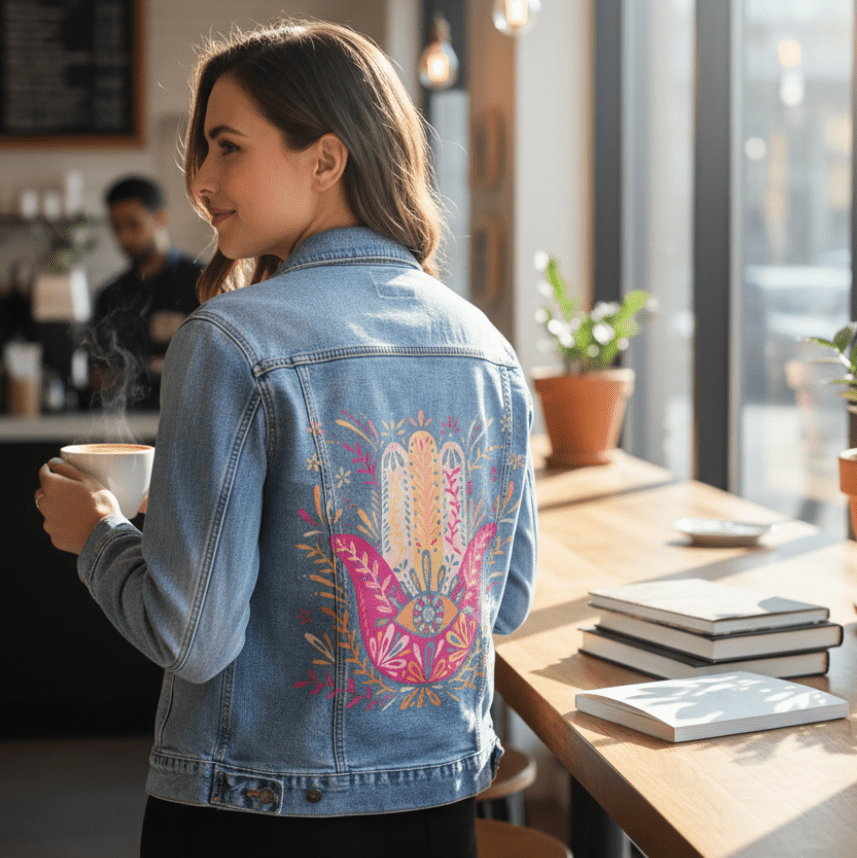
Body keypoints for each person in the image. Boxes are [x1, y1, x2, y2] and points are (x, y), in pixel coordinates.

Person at [35, 19, 537, 858]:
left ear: (326, 159)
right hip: (438, 804)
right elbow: (506, 600)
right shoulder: (486, 345)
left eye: (227, 147)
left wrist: (96, 537)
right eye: (201, 151)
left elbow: (189, 639)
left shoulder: (230, 338)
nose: (199, 179)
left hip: (252, 815)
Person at [88, 176, 202, 410]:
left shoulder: (203, 283)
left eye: (133, 224)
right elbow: (97, 373)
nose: (123, 238)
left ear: (160, 218)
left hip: (189, 418)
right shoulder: (110, 295)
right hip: (127, 424)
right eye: (116, 228)